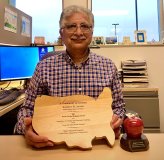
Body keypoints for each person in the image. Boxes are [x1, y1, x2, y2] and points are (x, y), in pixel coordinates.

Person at [14, 5, 126, 148]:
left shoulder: (108, 67)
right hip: (53, 146)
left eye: (85, 26)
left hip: (98, 145)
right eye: (71, 26)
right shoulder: (44, 68)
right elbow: (27, 109)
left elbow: (119, 107)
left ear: (92, 32)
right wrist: (26, 129)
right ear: (61, 33)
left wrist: (117, 120)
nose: (78, 32)